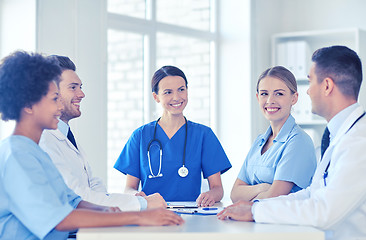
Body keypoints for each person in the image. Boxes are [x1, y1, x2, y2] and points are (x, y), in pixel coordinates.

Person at [0, 51, 183, 240]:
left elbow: (73, 200)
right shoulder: (17, 155)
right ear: (29, 105)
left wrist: (110, 210)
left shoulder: (34, 151)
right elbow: (58, 218)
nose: (59, 107)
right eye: (54, 99)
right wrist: (138, 215)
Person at [217, 45, 366, 240]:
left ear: (327, 86)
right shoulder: (340, 134)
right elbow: (312, 193)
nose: (308, 91)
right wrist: (255, 206)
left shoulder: (358, 141)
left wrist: (255, 212)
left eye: (310, 81)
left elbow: (324, 211)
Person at [39, 55, 166, 211]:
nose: (81, 94)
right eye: (73, 87)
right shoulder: (44, 140)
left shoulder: (67, 135)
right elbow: (76, 197)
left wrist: (128, 201)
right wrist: (142, 204)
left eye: (80, 86)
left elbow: (94, 185)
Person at [114, 65, 232, 207]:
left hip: (192, 214)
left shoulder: (204, 135)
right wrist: (135, 195)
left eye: (181, 90)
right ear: (156, 97)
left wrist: (209, 195)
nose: (176, 97)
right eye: (168, 92)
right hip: (151, 213)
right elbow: (129, 188)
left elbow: (217, 189)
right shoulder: (140, 136)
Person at [230, 66, 317, 203]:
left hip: (284, 223)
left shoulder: (299, 142)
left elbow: (274, 198)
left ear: (294, 98)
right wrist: (262, 187)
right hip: (252, 222)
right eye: (264, 94)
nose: (270, 100)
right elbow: (235, 194)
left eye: (279, 94)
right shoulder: (259, 142)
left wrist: (248, 196)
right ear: (258, 97)